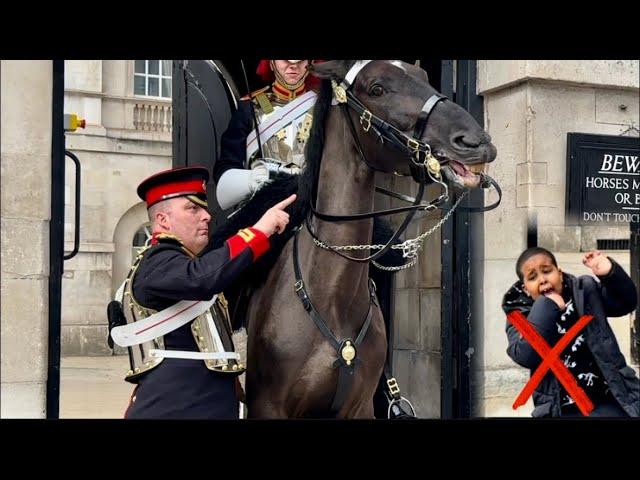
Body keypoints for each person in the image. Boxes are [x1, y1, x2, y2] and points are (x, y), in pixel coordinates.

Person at [212, 60, 415, 419]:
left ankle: (382, 378)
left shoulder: (330, 103)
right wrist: (254, 177)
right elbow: (224, 176)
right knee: (221, 257)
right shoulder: (249, 108)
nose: (293, 62)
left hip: (322, 199)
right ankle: (225, 354)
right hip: (271, 198)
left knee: (385, 255)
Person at [111, 166, 296, 419]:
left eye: (204, 208)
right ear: (163, 220)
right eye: (192, 209)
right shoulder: (157, 261)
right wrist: (259, 231)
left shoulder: (179, 262)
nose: (206, 216)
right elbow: (203, 278)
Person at [502, 247, 639, 417]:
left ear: (559, 273)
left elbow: (625, 303)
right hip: (560, 408)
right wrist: (546, 306)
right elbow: (526, 355)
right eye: (533, 277)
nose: (543, 280)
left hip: (610, 398)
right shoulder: (518, 314)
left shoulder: (585, 290)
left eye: (547, 271)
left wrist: (610, 274)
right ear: (525, 289)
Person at [214, 59, 319, 210]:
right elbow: (226, 168)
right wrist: (252, 180)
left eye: (301, 60)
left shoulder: (323, 106)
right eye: (285, 60)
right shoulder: (250, 107)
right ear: (271, 64)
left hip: (312, 206)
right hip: (262, 208)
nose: (293, 65)